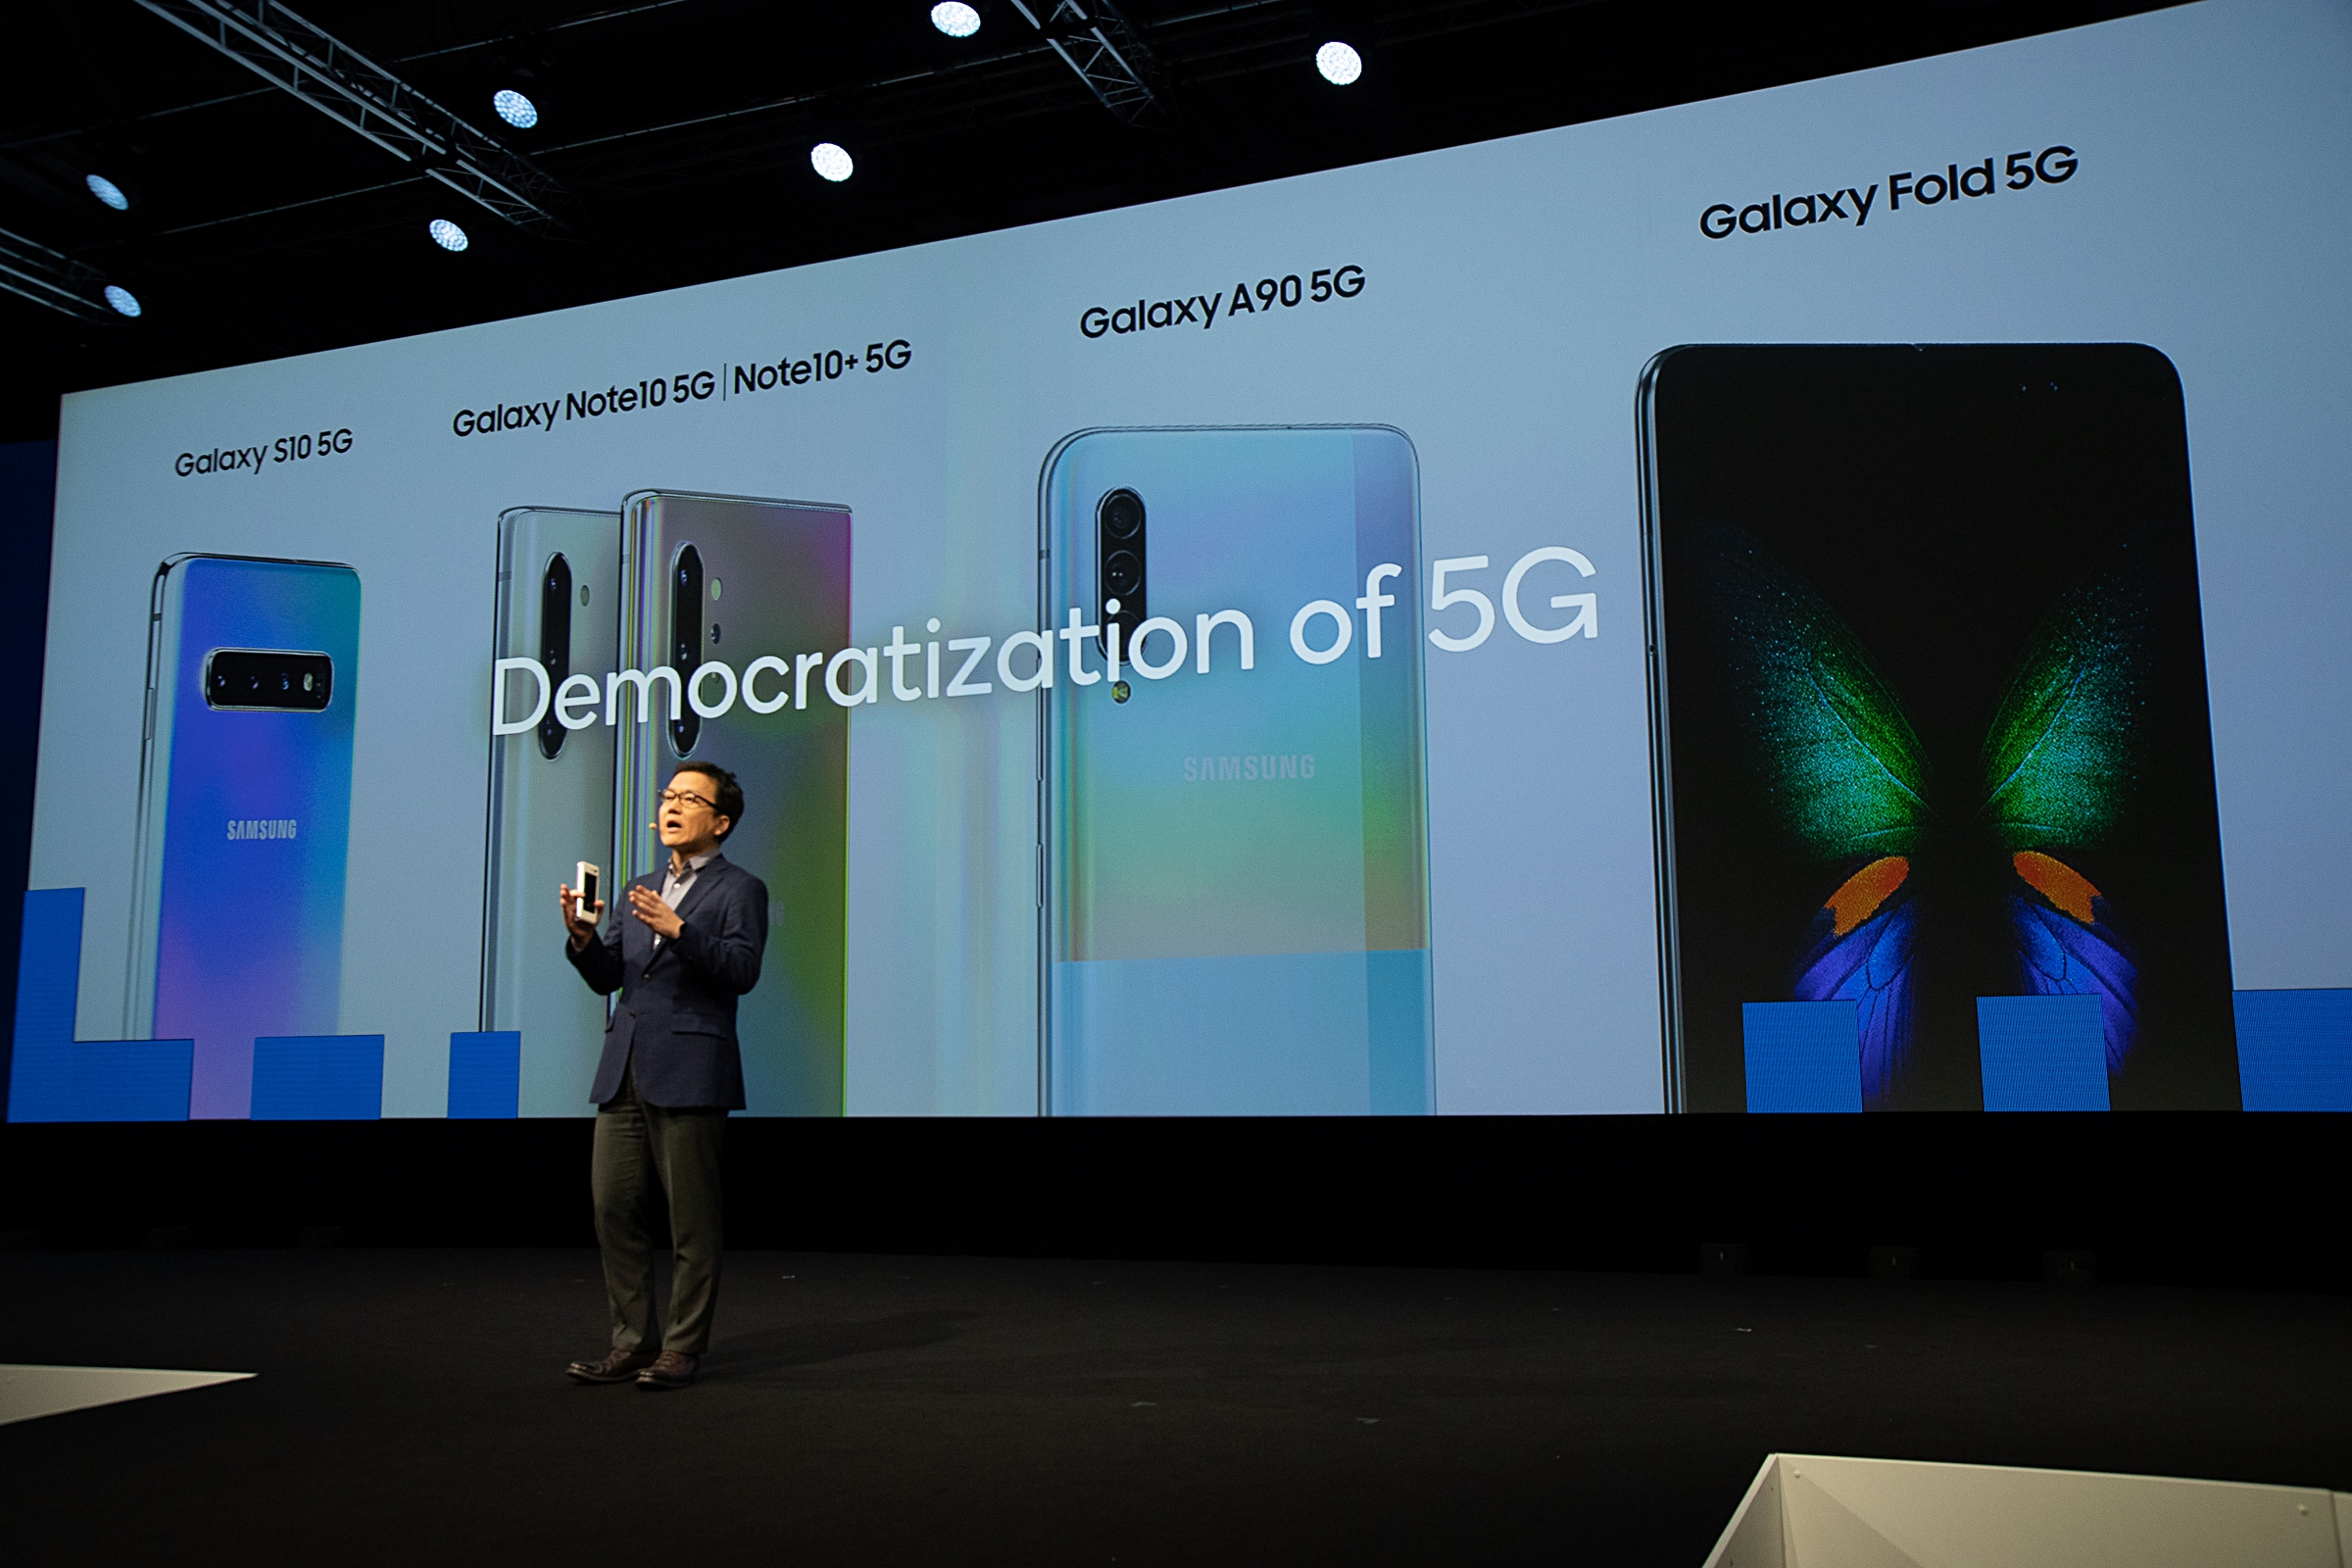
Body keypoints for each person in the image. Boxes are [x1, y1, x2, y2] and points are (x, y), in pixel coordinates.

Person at [558, 760, 767, 1391]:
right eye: (668, 796)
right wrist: (582, 940)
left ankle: (681, 1347)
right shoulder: (638, 887)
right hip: (624, 1066)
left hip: (692, 1066)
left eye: (688, 799)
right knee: (613, 1207)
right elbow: (609, 976)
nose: (671, 807)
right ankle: (631, 1341)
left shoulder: (740, 888)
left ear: (720, 822)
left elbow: (742, 970)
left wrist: (679, 930)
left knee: (691, 1220)